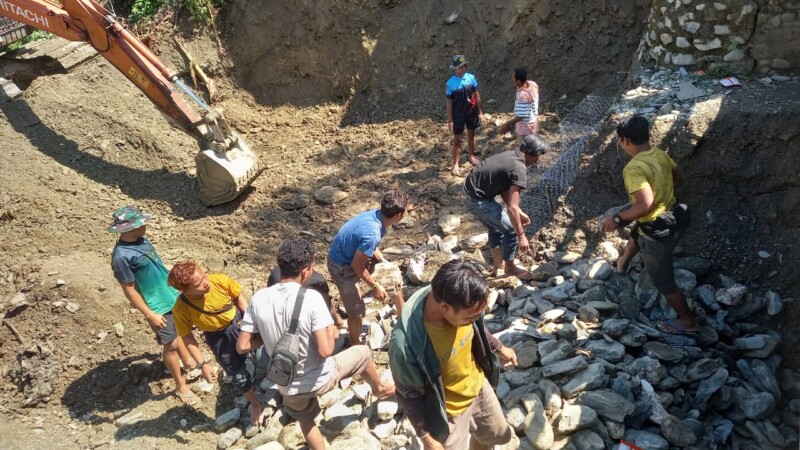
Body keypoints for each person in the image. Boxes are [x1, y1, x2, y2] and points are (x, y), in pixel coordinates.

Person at [237, 238, 395, 450]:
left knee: (306, 421)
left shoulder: (258, 298)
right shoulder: (311, 298)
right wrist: (331, 330)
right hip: (319, 379)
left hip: (286, 385)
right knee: (363, 352)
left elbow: (243, 345)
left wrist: (268, 336)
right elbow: (325, 351)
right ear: (304, 270)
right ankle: (378, 389)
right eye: (312, 267)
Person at [388, 260, 518, 450]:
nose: (474, 320)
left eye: (477, 315)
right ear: (445, 308)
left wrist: (498, 347)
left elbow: (477, 326)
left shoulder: (464, 301)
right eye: (469, 317)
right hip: (446, 412)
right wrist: (427, 437)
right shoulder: (406, 343)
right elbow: (409, 394)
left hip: (478, 388)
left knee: (494, 435)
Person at [600, 115, 698, 335]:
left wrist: (616, 219)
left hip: (657, 230)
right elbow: (679, 178)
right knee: (637, 231)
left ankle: (688, 321)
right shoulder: (660, 155)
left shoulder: (634, 169)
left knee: (663, 281)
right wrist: (662, 194)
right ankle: (623, 263)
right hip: (672, 214)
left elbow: (645, 205)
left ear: (624, 140)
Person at [108, 205, 197, 406]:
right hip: (156, 305)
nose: (146, 225)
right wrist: (149, 314)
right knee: (171, 343)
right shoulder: (121, 257)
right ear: (129, 229)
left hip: (171, 294)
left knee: (181, 330)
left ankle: (189, 362)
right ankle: (180, 386)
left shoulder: (142, 241)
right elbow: (129, 289)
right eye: (141, 223)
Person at [167, 261, 264, 425]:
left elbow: (238, 297)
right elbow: (187, 336)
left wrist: (251, 322)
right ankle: (256, 403)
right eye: (198, 284)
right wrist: (202, 364)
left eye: (204, 275)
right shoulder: (181, 308)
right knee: (236, 374)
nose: (206, 283)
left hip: (239, 322)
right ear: (185, 291)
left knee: (263, 350)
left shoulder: (220, 281)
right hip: (218, 338)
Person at [462, 134, 549, 282]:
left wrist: (519, 211)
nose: (539, 159)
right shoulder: (519, 168)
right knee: (510, 230)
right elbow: (511, 208)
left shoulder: (512, 155)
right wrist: (521, 235)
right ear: (535, 153)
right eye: (540, 155)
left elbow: (503, 188)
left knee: (496, 227)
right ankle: (510, 268)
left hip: (469, 192)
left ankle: (498, 265)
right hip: (477, 200)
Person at [327, 190, 409, 345]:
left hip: (352, 256)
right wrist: (375, 285)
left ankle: (402, 314)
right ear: (399, 215)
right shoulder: (373, 233)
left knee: (391, 274)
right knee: (356, 312)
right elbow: (357, 265)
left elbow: (367, 247)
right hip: (341, 267)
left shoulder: (377, 215)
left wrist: (384, 263)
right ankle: (355, 344)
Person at [446, 54, 485, 176]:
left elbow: (476, 95)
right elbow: (449, 102)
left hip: (471, 112)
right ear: (455, 68)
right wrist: (450, 119)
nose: (464, 68)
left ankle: (471, 156)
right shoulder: (450, 83)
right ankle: (456, 164)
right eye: (461, 66)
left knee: (471, 134)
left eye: (465, 66)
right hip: (458, 114)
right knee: (457, 139)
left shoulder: (471, 78)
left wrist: (480, 112)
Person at [268, 266, 343, 327]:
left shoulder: (275, 273)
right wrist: (335, 321)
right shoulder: (318, 280)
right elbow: (326, 309)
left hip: (276, 321)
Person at [499, 67, 540, 141]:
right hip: (534, 122)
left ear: (518, 81)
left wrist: (507, 124)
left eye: (513, 78)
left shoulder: (522, 95)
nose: (512, 79)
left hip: (525, 127)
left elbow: (522, 115)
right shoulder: (532, 84)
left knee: (525, 149)